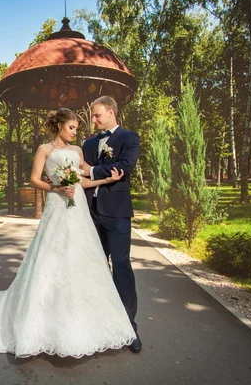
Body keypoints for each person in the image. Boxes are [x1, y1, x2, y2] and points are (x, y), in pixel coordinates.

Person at [0, 108, 136, 358]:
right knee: (51, 257)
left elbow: (81, 181)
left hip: (78, 209)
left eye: (77, 129)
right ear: (59, 126)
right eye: (72, 127)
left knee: (82, 259)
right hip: (57, 207)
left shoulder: (78, 151)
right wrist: (56, 188)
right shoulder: (44, 150)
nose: (76, 132)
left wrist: (105, 181)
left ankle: (86, 317)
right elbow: (34, 179)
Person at [80, 95, 142, 353]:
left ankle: (129, 328)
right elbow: (79, 169)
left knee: (121, 265)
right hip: (89, 213)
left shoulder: (129, 138)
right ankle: (97, 322)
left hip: (116, 213)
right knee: (94, 267)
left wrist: (93, 171)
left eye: (96, 115)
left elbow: (125, 167)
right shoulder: (89, 142)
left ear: (111, 112)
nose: (92, 120)